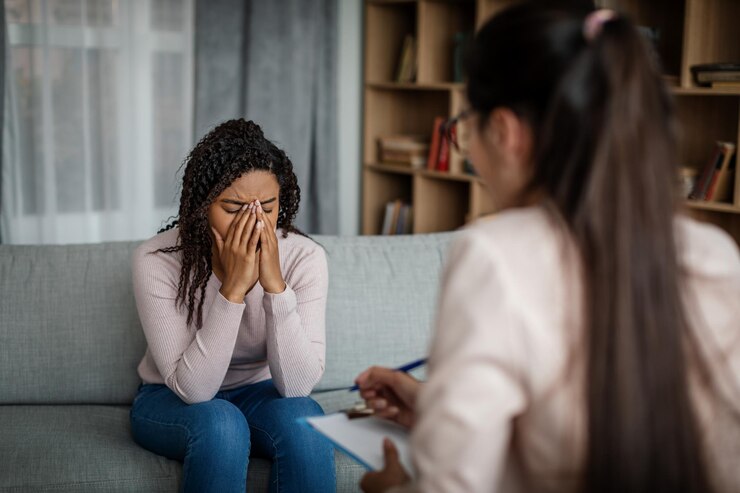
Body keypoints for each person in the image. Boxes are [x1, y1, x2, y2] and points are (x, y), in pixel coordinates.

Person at [355, 4, 740, 493]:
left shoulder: (493, 256)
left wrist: (390, 487)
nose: (467, 148)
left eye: (466, 125)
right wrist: (437, 406)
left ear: (506, 131)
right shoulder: (716, 254)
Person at [129, 119, 335, 493]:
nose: (253, 223)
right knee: (221, 424)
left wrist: (275, 286)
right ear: (202, 206)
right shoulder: (156, 259)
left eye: (267, 208)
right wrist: (233, 290)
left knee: (306, 421)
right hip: (170, 397)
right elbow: (193, 391)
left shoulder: (304, 258)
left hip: (260, 394)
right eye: (233, 207)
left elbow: (297, 387)